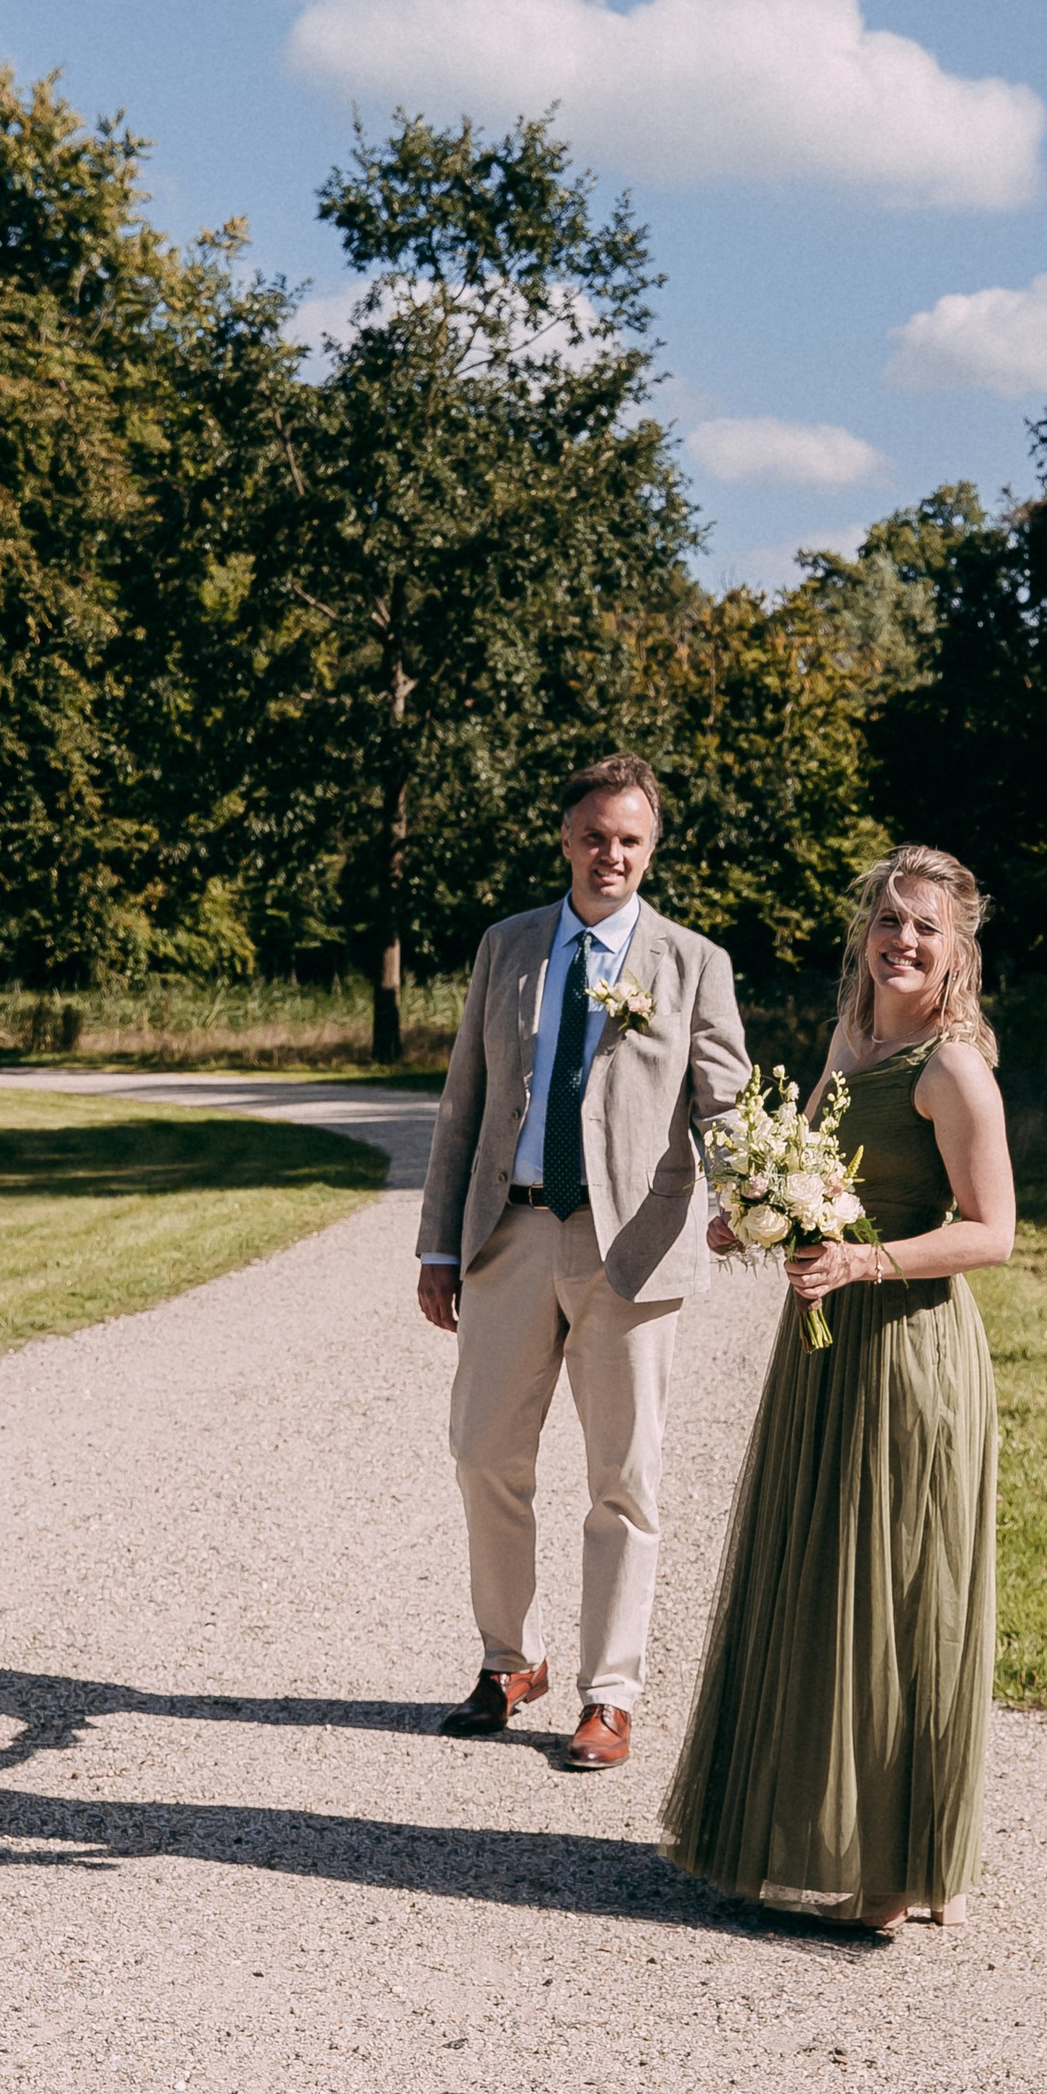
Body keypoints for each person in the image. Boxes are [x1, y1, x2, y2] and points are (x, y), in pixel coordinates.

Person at [659, 844, 1013, 1927]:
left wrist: (863, 1259)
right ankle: (817, 1829)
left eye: (926, 929)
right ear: (866, 930)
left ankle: (900, 1864)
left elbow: (992, 1232)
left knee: (896, 1598)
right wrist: (751, 1209)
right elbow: (810, 1159)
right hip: (824, 1348)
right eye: (889, 921)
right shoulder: (851, 1040)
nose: (903, 941)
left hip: (908, 1354)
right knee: (820, 1585)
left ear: (955, 951)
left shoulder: (952, 1069)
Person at [416, 753, 751, 1772]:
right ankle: (509, 1660)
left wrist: (751, 1197)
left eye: (631, 840)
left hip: (632, 1251)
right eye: (596, 834)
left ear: (651, 850)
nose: (612, 854)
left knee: (623, 1478)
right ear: (565, 837)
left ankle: (610, 1694)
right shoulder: (506, 946)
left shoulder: (693, 962)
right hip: (508, 1234)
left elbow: (724, 1104)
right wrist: (437, 1242)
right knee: (482, 1453)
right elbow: (463, 1102)